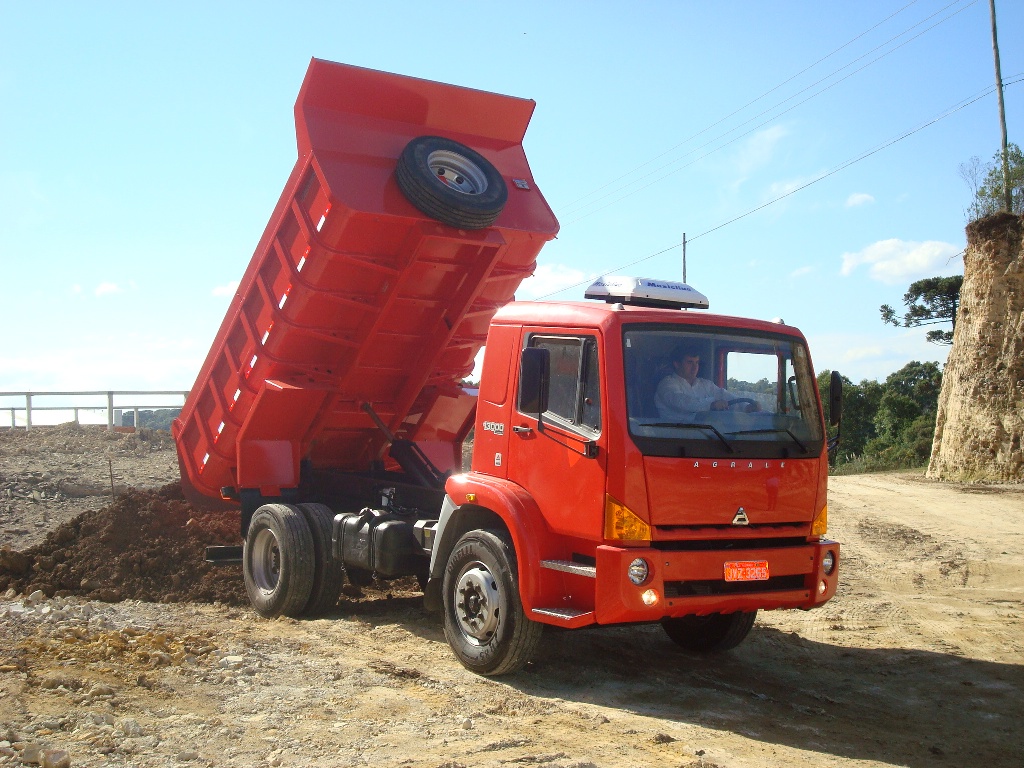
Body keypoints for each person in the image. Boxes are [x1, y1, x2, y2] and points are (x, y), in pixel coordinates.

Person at [654, 344, 757, 418]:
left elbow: (724, 395)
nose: (695, 367)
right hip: (673, 437)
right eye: (690, 362)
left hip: (708, 436)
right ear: (677, 364)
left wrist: (747, 407)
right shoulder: (667, 385)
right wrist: (711, 405)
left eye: (697, 363)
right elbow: (681, 402)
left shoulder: (705, 384)